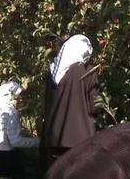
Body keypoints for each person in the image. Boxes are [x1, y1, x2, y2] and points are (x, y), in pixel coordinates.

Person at [41, 34, 99, 167]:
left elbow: (48, 104)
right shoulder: (88, 71)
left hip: (53, 138)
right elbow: (94, 107)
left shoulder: (53, 72)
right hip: (80, 138)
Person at [0, 82, 39, 179]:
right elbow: (15, 141)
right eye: (18, 97)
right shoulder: (10, 112)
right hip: (3, 160)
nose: (19, 100)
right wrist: (37, 142)